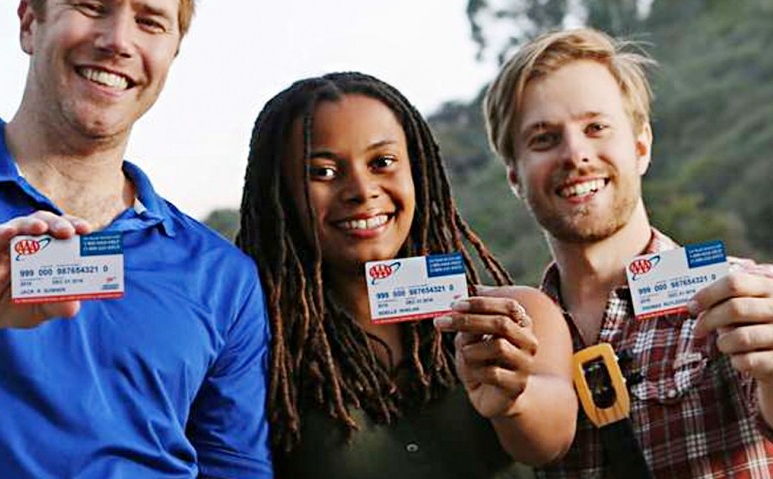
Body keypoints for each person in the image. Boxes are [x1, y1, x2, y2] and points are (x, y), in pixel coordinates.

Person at [0, 1, 272, 478]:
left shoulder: (225, 277)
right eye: (92, 6)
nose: (119, 40)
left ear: (173, 52)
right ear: (30, 22)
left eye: (150, 21)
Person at [236, 71, 577, 478]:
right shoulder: (257, 352)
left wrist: (513, 400)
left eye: (382, 163)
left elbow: (550, 445)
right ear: (281, 195)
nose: (362, 190)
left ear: (417, 170)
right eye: (323, 172)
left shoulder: (514, 315)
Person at [483, 27, 773, 477]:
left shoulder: (742, 297)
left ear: (641, 146)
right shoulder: (509, 339)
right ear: (515, 178)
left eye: (596, 127)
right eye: (544, 138)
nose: (576, 154)